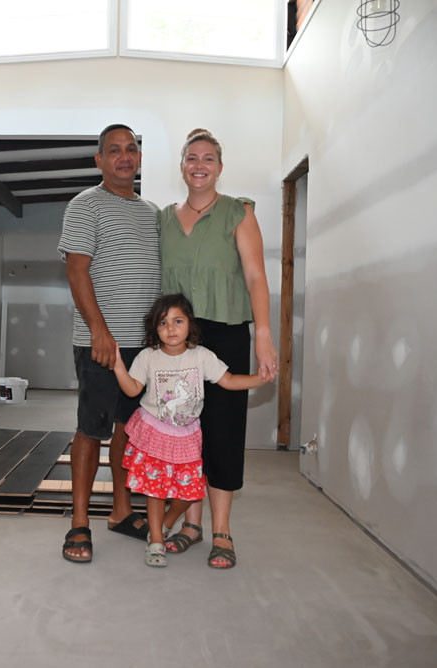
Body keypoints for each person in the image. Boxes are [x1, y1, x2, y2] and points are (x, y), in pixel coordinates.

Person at [158, 128, 279, 569]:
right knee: (183, 429)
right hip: (178, 338)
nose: (200, 165)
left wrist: (263, 333)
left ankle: (221, 530)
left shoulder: (238, 213)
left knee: (224, 432)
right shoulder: (163, 219)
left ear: (220, 168)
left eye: (208, 158)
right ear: (182, 166)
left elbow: (255, 278)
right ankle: (191, 525)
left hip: (226, 333)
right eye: (192, 158)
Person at [56, 124, 162, 563]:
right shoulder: (85, 205)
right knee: (91, 428)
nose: (124, 156)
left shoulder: (153, 211)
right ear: (99, 160)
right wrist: (100, 331)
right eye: (113, 150)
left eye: (131, 149)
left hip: (146, 347)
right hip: (102, 343)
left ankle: (121, 511)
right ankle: (79, 522)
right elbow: (77, 270)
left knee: (129, 429)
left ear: (139, 158)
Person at [112, 294, 266, 567]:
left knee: (190, 490)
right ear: (154, 329)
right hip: (155, 432)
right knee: (156, 491)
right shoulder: (148, 357)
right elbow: (133, 389)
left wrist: (259, 379)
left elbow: (228, 380)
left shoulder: (202, 356)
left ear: (190, 325)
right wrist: (117, 366)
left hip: (186, 435)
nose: (171, 328)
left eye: (178, 321)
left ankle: (168, 523)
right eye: (163, 323)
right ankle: (156, 540)